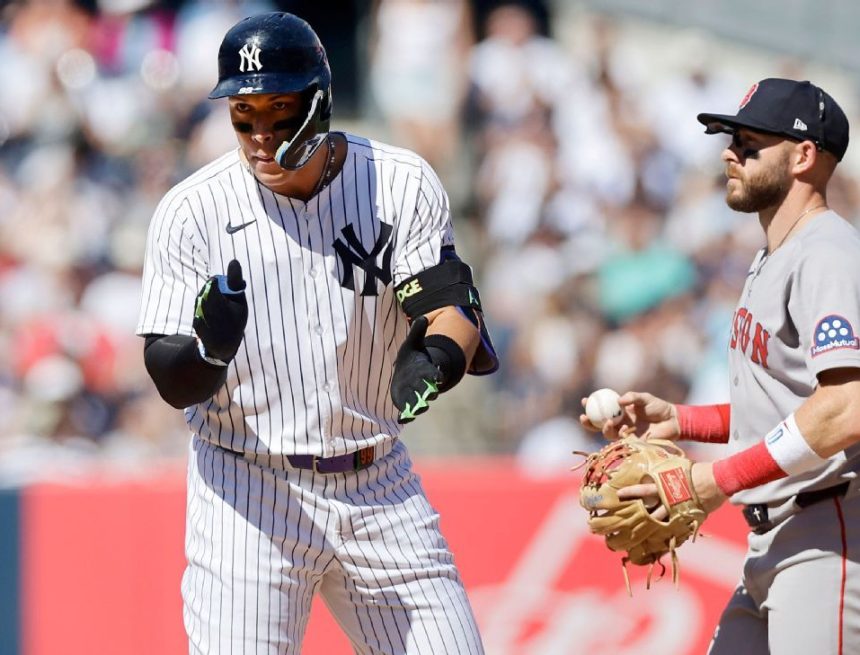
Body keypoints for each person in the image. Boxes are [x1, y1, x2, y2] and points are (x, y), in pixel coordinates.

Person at [136, 12, 497, 654]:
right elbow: (170, 377)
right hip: (248, 489)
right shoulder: (192, 211)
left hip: (377, 480)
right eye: (243, 114)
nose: (260, 134)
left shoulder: (398, 181)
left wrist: (440, 357)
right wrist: (210, 350)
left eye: (279, 110)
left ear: (320, 101)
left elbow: (452, 304)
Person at [581, 78, 860, 654]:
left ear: (804, 156)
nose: (730, 154)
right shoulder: (774, 255)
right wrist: (681, 420)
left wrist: (715, 480)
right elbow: (789, 406)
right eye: (731, 140)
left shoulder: (827, 253)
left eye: (750, 143)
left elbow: (847, 407)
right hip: (773, 541)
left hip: (826, 536)